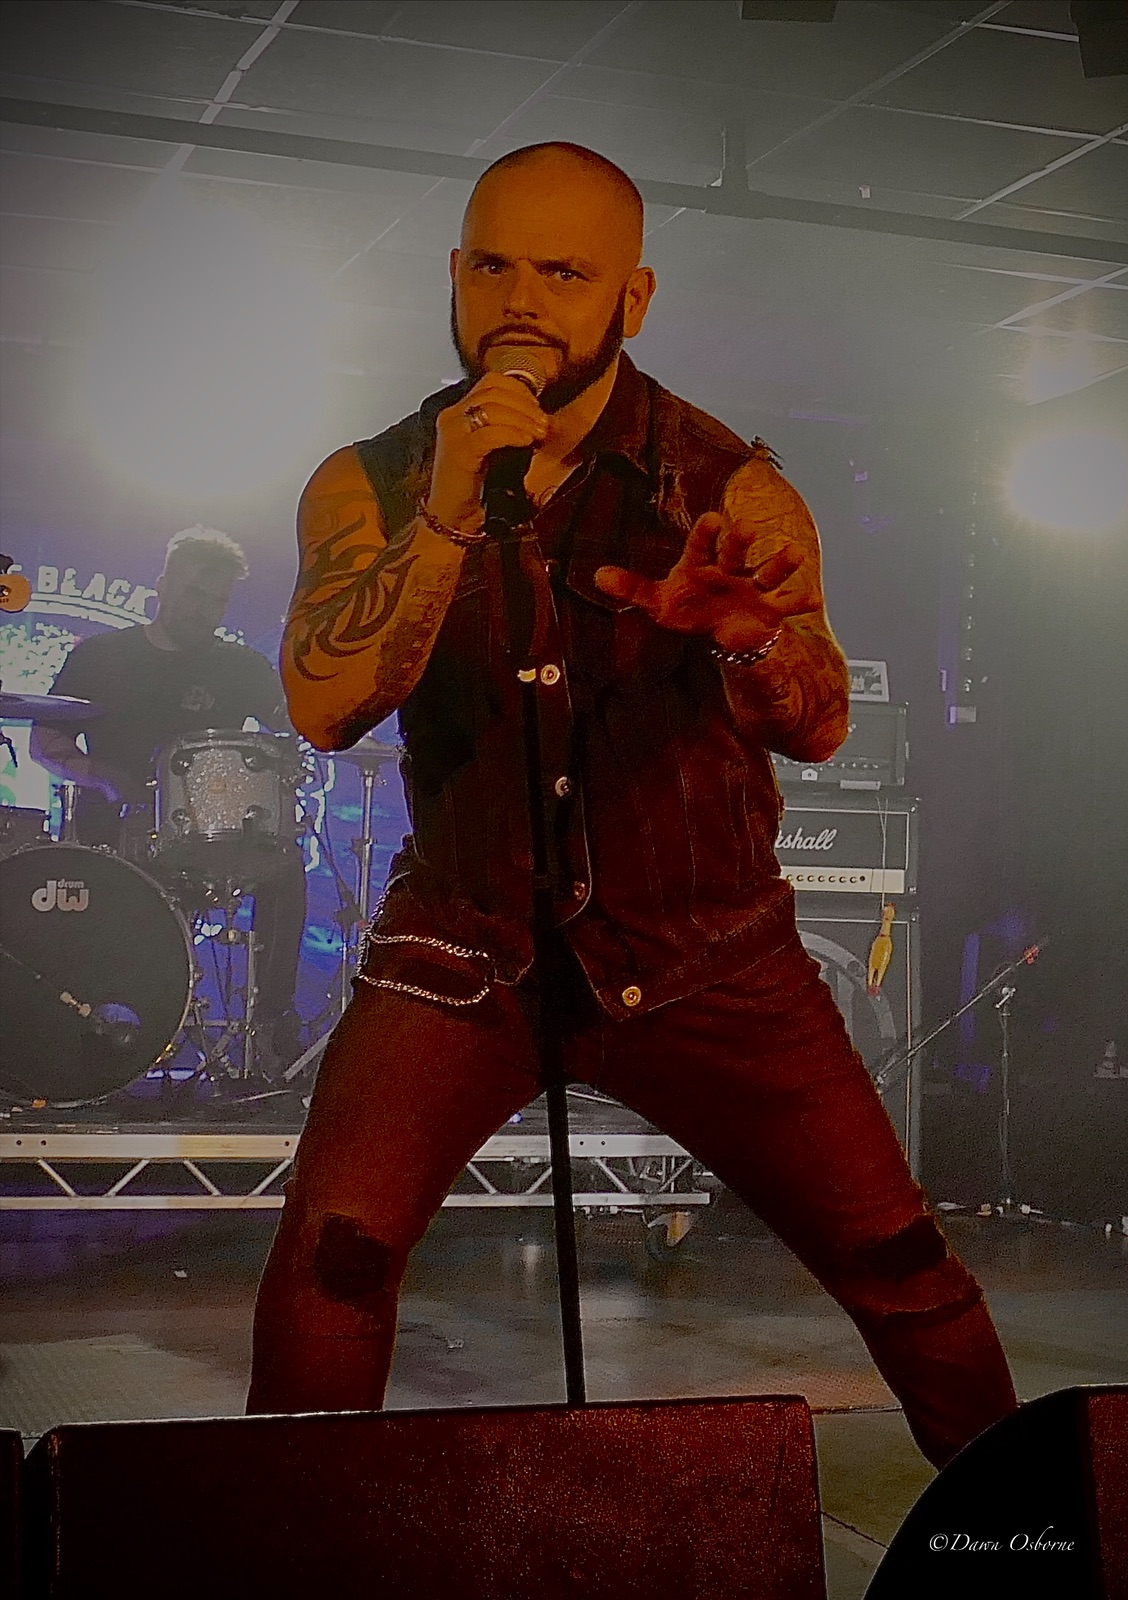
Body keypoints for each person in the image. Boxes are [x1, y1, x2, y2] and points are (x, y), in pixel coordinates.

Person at [247, 142, 1018, 1467]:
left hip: (712, 951)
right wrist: (445, 518)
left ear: (632, 298)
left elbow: (818, 723)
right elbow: (322, 705)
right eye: (494, 266)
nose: (520, 301)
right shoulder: (369, 480)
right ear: (453, 274)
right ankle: (286, 1543)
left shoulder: (731, 484)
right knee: (332, 1261)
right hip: (462, 949)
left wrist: (747, 639)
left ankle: (1042, 1536)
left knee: (900, 1262)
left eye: (563, 272)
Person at [31, 529, 306, 1063]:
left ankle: (274, 1024)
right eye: (193, 594)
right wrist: (104, 776)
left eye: (217, 601)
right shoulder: (103, 657)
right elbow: (46, 742)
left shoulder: (240, 666)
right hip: (115, 838)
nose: (203, 610)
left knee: (285, 868)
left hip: (215, 838)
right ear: (162, 585)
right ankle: (101, 1038)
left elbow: (293, 728)